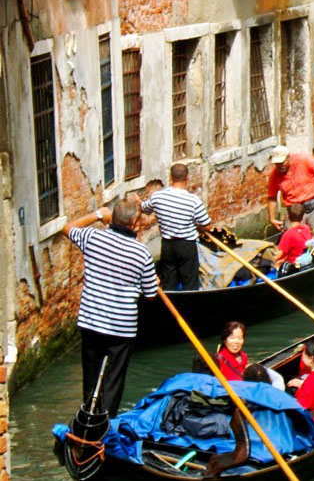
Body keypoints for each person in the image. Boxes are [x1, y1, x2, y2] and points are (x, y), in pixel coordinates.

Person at [63, 195, 159, 417]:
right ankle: (106, 426)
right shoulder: (141, 253)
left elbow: (68, 228)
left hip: (91, 321)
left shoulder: (92, 238)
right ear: (134, 223)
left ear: (111, 219)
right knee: (113, 382)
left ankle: (88, 419)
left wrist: (98, 215)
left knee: (90, 378)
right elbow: (151, 295)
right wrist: (155, 282)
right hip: (121, 328)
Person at [141, 163, 212, 291]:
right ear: (188, 177)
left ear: (170, 177)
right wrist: (196, 227)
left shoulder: (158, 196)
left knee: (169, 282)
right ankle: (187, 309)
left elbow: (145, 209)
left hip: (167, 246)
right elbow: (207, 226)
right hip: (186, 246)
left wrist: (137, 201)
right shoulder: (194, 201)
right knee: (190, 283)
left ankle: (170, 307)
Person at [267, 145, 314, 237]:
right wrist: (271, 218)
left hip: (313, 206)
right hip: (294, 212)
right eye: (277, 163)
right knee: (293, 239)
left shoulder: (304, 160)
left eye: (282, 162)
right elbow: (272, 197)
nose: (279, 166)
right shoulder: (274, 174)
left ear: (288, 157)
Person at [271, 203, 313, 270]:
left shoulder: (288, 234)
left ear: (288, 216)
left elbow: (279, 254)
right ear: (302, 217)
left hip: (295, 266)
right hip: (308, 260)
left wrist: (268, 260)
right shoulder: (306, 228)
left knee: (276, 264)